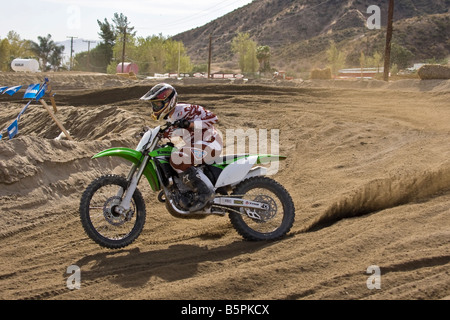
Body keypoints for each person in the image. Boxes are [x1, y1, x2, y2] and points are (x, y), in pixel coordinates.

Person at [140, 83, 222, 212]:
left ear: (169, 101)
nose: (155, 107)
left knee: (178, 158)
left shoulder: (186, 110)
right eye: (153, 105)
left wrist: (189, 124)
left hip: (210, 144)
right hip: (195, 146)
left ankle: (205, 194)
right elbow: (173, 135)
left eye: (157, 104)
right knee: (169, 154)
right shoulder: (171, 118)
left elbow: (213, 118)